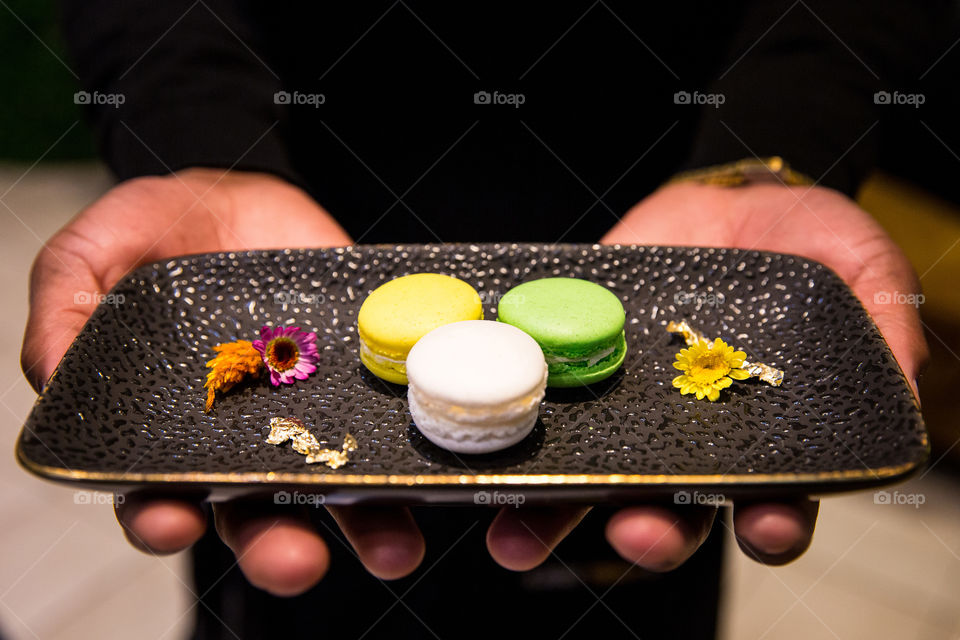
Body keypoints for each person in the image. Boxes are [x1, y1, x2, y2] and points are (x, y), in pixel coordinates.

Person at [22, 2, 942, 638]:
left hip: (663, 245)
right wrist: (203, 146)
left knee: (638, 573)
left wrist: (771, 146)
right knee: (291, 587)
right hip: (304, 246)